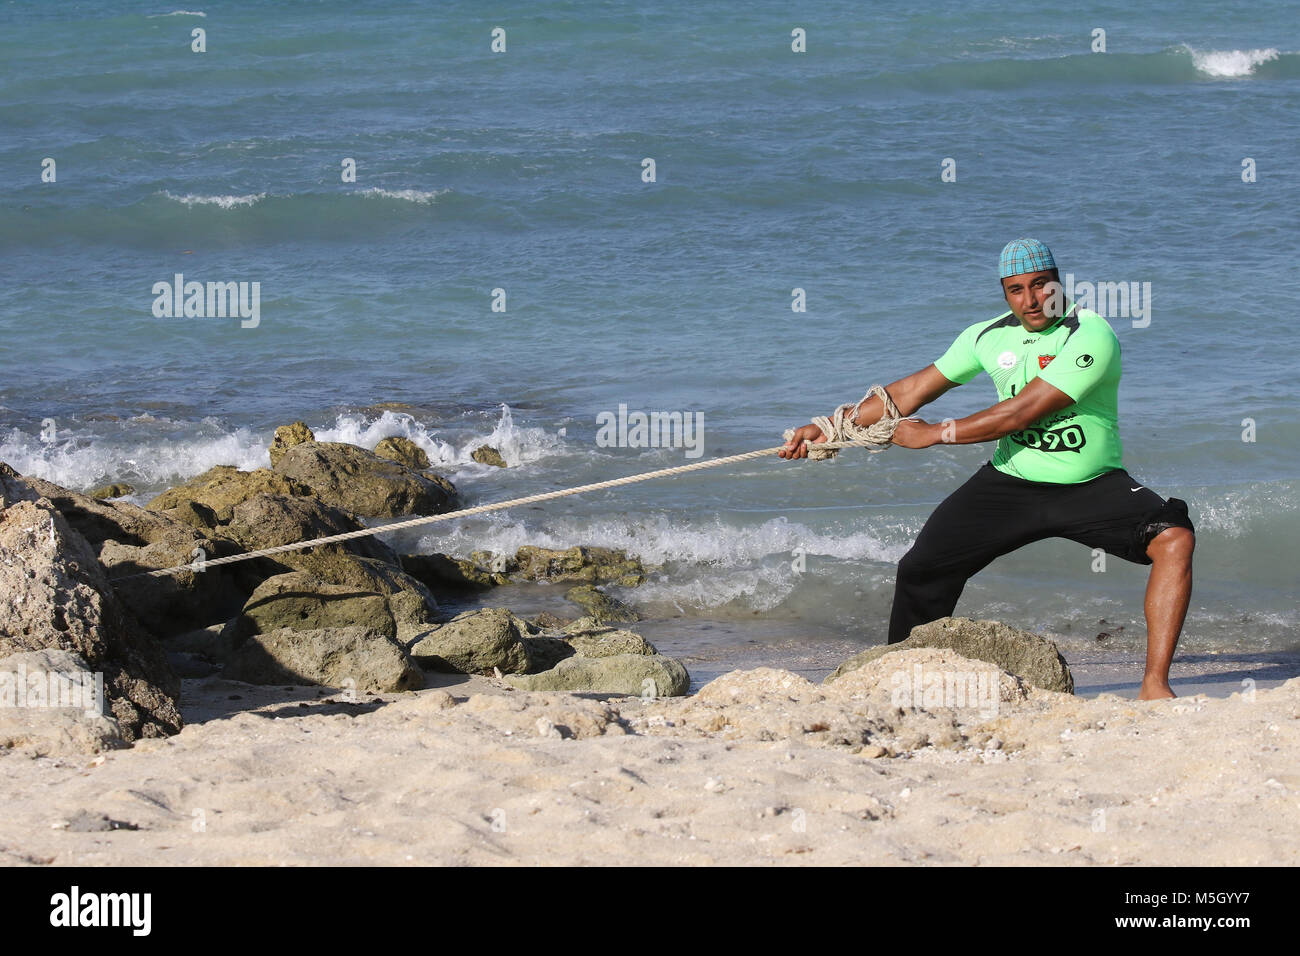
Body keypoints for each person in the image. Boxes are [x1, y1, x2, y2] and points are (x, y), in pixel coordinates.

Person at [779, 239, 1195, 699]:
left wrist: (935, 434)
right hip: (1010, 482)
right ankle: (901, 678)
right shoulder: (987, 335)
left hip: (1088, 485)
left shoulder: (1091, 333)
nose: (1031, 300)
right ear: (1004, 293)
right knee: (921, 569)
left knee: (1173, 537)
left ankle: (1154, 684)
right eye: (1016, 290)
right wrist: (830, 427)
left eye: (1040, 285)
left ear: (1059, 281)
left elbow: (1021, 413)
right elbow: (912, 390)